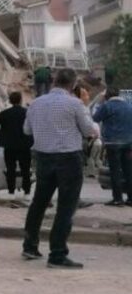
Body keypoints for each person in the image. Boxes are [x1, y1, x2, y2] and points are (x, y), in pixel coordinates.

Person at [22, 68, 98, 269]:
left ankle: (30, 246)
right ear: (73, 85)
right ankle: (57, 253)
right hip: (68, 158)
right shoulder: (75, 104)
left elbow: (26, 130)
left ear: (54, 82)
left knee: (39, 202)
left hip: (43, 157)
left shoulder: (36, 103)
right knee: (66, 206)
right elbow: (89, 130)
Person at [92, 87, 132, 207]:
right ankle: (131, 198)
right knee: (128, 171)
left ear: (107, 96)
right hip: (128, 143)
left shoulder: (107, 106)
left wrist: (100, 101)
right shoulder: (129, 106)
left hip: (113, 143)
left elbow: (95, 118)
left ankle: (117, 199)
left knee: (115, 171)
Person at [0, 92, 34, 198]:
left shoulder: (5, 113)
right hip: (24, 145)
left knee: (10, 169)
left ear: (10, 101)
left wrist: (1, 135)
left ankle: (11, 192)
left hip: (9, 146)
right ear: (20, 100)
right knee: (25, 170)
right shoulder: (27, 113)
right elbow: (34, 126)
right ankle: (26, 192)